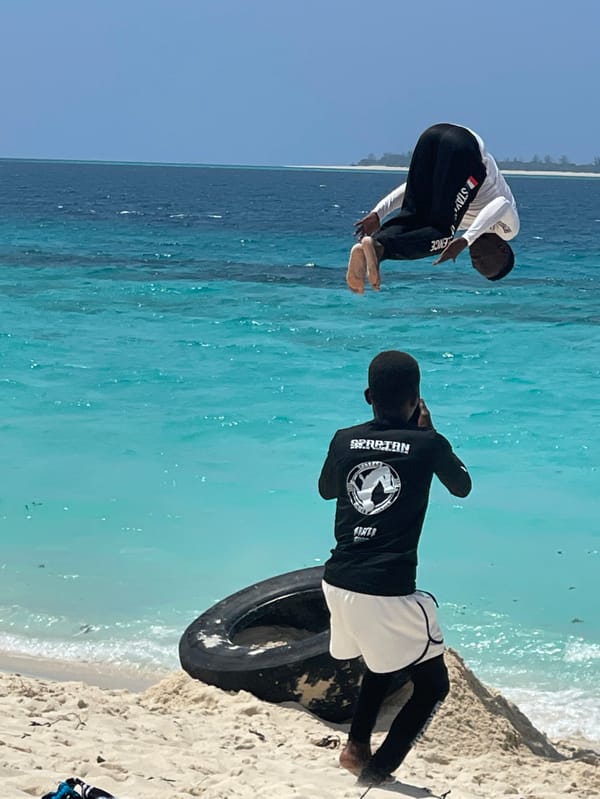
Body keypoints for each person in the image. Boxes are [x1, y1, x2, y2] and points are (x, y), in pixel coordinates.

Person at [318, 350, 472, 786]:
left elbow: (327, 490)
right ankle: (377, 771)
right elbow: (462, 486)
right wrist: (429, 434)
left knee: (380, 661)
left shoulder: (344, 439)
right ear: (417, 399)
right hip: (386, 589)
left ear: (369, 396)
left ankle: (356, 747)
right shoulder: (428, 444)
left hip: (337, 581)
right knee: (433, 685)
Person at [346, 123, 520, 293]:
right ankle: (380, 249)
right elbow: (501, 203)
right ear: (503, 250)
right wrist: (466, 239)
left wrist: (378, 213)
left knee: (417, 220)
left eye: (476, 266)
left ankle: (374, 247)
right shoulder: (507, 231)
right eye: (484, 264)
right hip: (466, 149)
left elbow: (415, 188)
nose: (475, 262)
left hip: (431, 136)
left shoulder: (462, 221)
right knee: (443, 238)